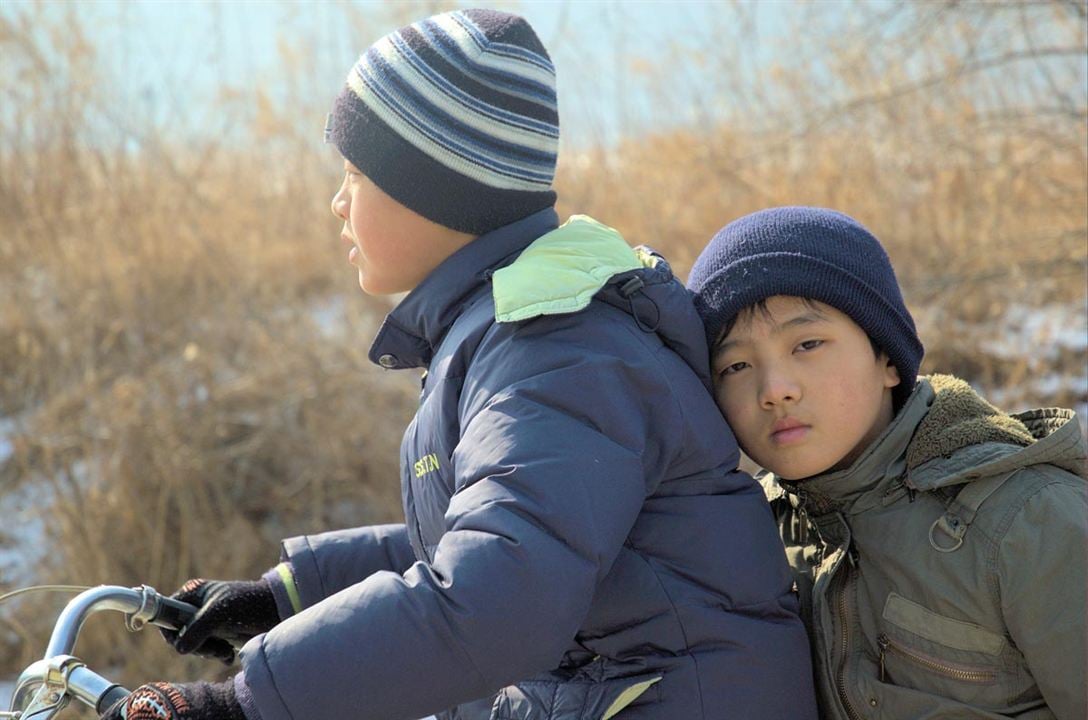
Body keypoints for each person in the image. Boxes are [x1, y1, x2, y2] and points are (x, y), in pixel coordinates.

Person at [101, 10, 817, 720]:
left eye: (355, 172)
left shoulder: (561, 353)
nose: (337, 203)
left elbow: (495, 602)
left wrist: (247, 705)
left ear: (437, 189)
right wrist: (288, 597)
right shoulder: (515, 334)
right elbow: (475, 539)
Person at [686, 206, 1088, 720]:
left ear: (888, 360)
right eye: (736, 365)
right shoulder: (744, 537)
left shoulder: (1027, 522)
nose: (775, 390)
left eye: (807, 344)